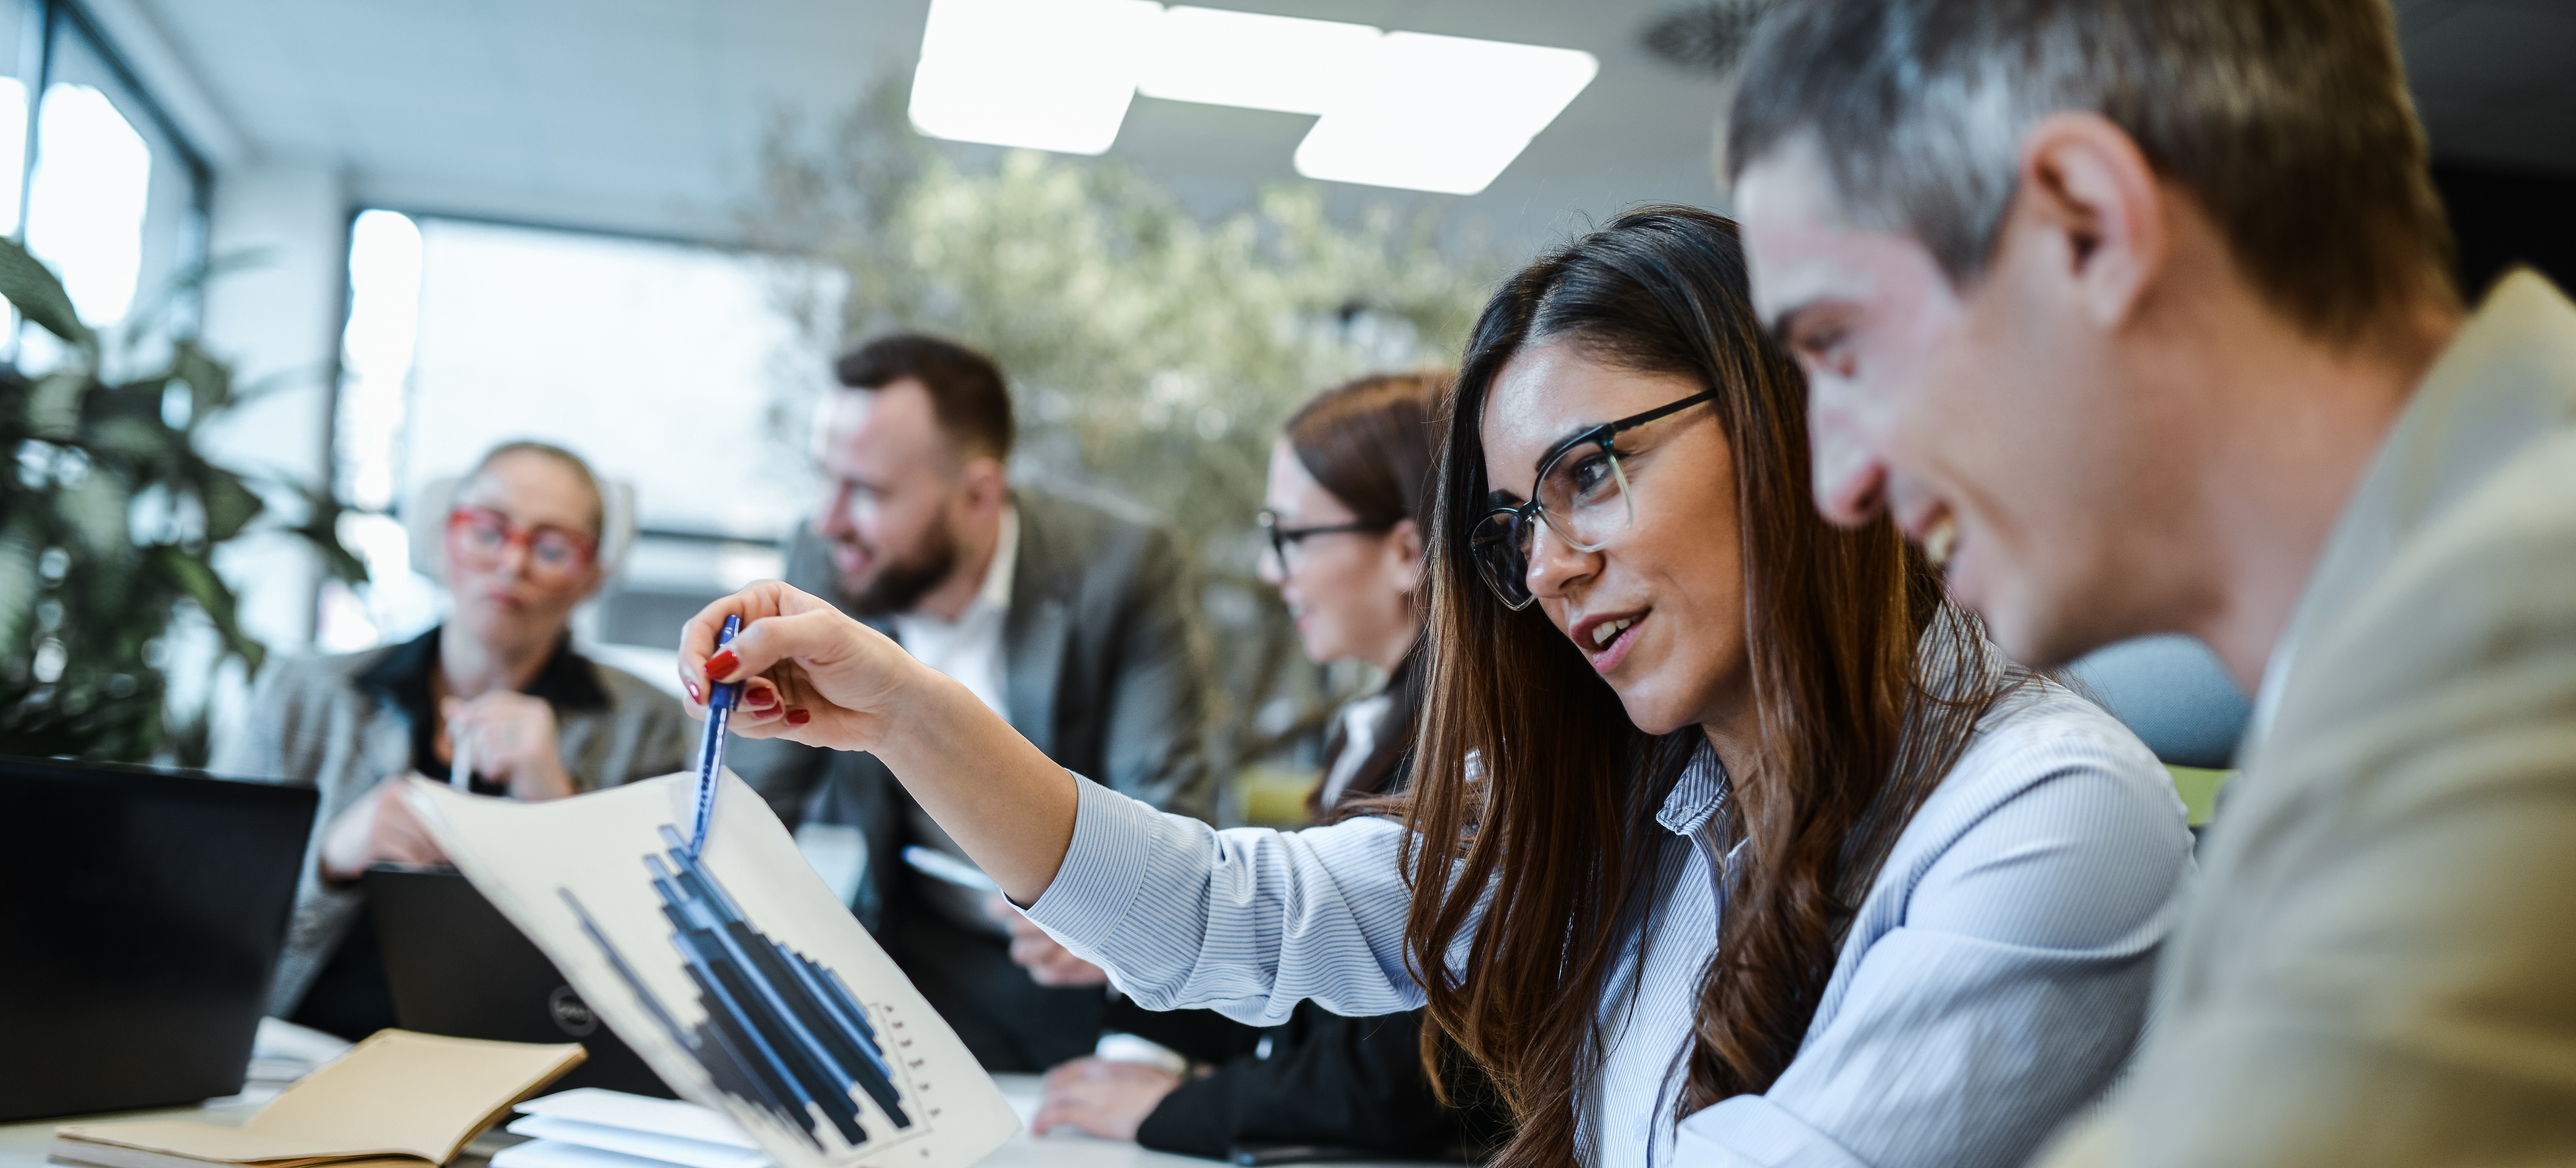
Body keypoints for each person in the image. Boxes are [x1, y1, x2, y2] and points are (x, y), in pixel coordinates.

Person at [683, 208, 2196, 1168]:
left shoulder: (2049, 813)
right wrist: (896, 710)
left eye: (1591, 472)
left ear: (1792, 423)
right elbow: (1238, 911)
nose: (1544, 569)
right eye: (1515, 522)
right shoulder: (1650, 802)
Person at [1722, 0, 2576, 1162]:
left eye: (1840, 345)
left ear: (2090, 228)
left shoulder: (2519, 627)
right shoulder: (2422, 609)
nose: (1841, 481)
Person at [1011, 371, 1508, 1160]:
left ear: (1407, 549)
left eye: (1292, 536)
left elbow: (1410, 1070)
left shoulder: (1473, 762)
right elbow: (1320, 968)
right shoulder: (1389, 725)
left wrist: (1174, 1110)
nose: (1274, 572)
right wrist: (1132, 941)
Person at [736, 332, 1216, 1073]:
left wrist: (1104, 911)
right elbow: (752, 804)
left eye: (865, 490)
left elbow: (1163, 793)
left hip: (1077, 962)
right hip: (915, 941)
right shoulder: (827, 555)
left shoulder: (1121, 566)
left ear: (978, 495)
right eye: (824, 479)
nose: (828, 520)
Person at [216, 442, 693, 1039]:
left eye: (551, 549)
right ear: (443, 541)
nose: (512, 564)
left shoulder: (647, 725)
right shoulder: (304, 696)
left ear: (592, 577)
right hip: (306, 1049)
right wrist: (332, 859)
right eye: (487, 531)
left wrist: (556, 803)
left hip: (522, 1070)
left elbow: (658, 969)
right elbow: (209, 923)